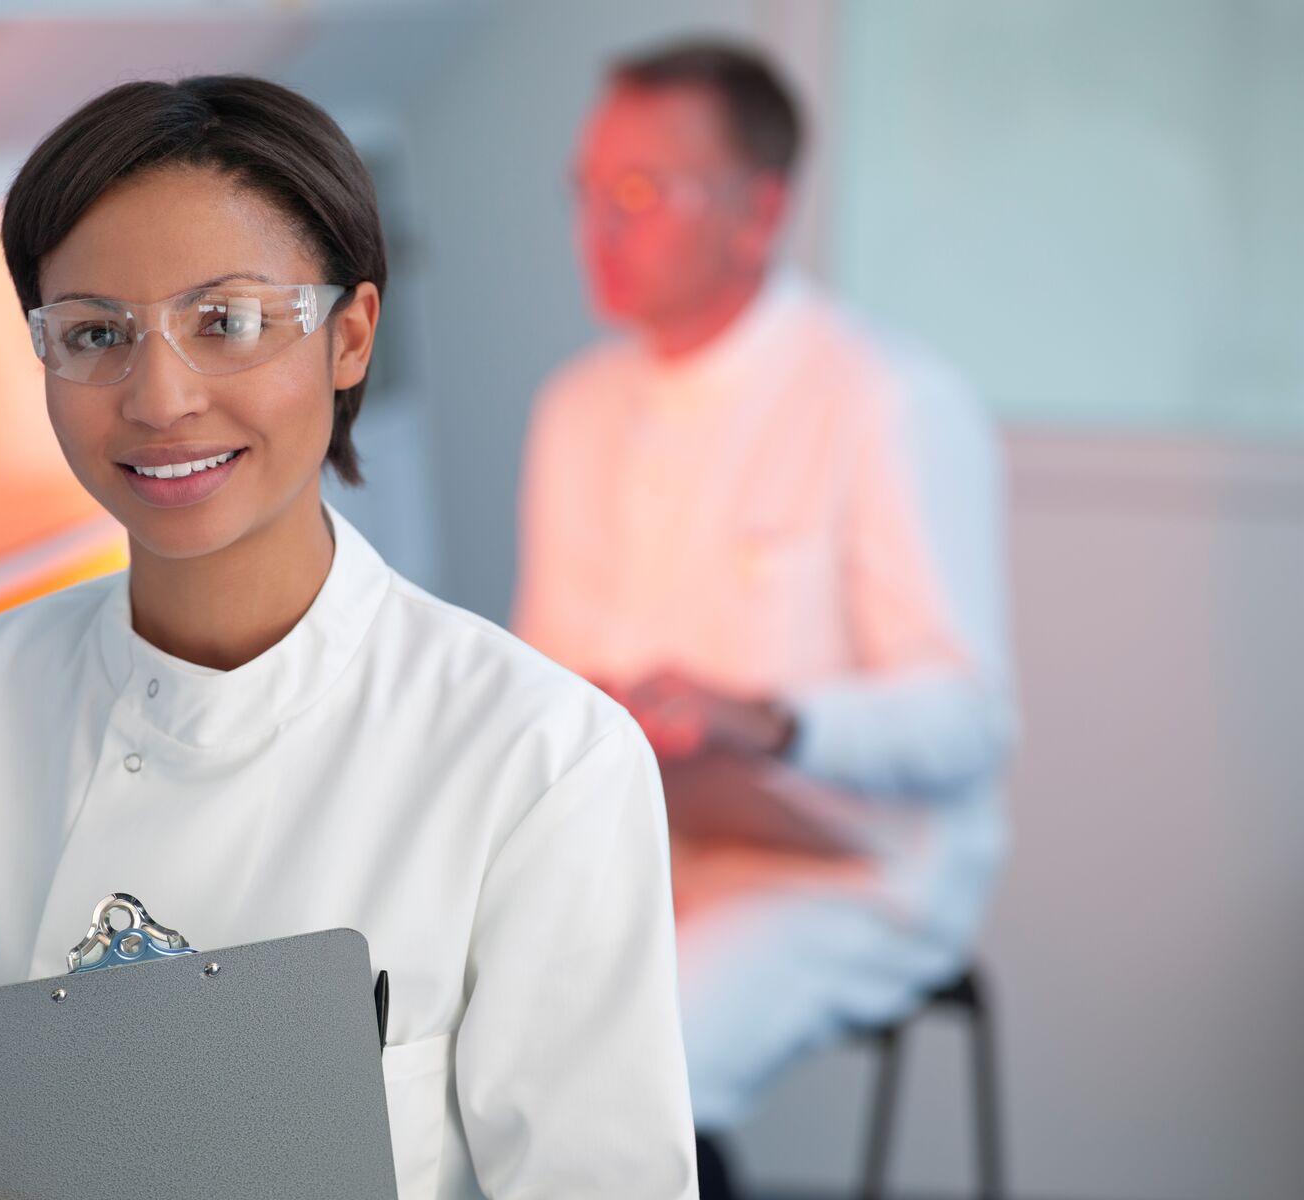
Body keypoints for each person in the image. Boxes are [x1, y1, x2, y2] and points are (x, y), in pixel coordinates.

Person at [0, 75, 698, 1199]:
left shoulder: (541, 759)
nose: (159, 397)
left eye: (225, 322)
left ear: (351, 336)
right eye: (95, 334)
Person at [512, 41, 1014, 1197]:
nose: (602, 226)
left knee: (621, 1085)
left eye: (640, 193)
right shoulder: (578, 409)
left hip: (851, 866)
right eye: (588, 191)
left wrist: (770, 721)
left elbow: (970, 722)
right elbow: (549, 672)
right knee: (451, 1033)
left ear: (760, 212)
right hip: (649, 839)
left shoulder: (885, 398)